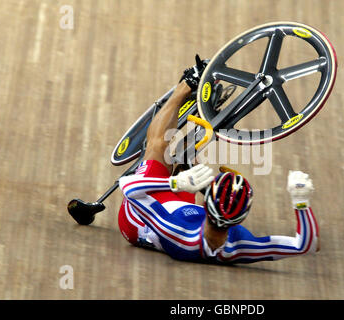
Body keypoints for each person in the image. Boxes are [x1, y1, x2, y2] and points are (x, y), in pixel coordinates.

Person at [117, 56, 319, 264]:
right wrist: (300, 200)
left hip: (139, 221)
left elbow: (128, 187)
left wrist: (176, 183)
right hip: (186, 215)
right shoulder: (241, 247)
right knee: (188, 157)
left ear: (206, 202)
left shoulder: (175, 229)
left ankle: (185, 85)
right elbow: (306, 244)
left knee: (160, 147)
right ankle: (196, 139)